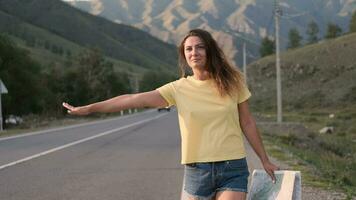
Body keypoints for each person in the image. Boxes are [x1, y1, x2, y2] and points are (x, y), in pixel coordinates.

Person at [62, 29, 278, 200]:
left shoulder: (233, 81)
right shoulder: (178, 88)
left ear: (210, 50)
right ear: (184, 56)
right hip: (197, 170)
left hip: (233, 166)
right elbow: (132, 99)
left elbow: (247, 122)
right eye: (189, 49)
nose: (195, 52)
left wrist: (265, 160)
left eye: (200, 47)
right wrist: (90, 108)